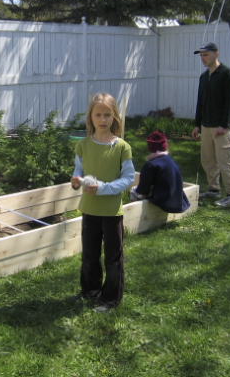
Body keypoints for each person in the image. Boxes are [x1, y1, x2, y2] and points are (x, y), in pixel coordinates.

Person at [70, 93, 135, 312]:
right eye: (98, 114)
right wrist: (77, 181)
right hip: (89, 210)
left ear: (114, 116)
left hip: (111, 212)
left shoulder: (122, 147)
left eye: (107, 114)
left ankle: (110, 298)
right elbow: (79, 171)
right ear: (91, 116)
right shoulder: (83, 146)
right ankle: (90, 291)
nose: (103, 119)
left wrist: (103, 189)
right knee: (90, 255)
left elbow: (128, 179)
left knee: (113, 258)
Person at [191, 42, 230, 207]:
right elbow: (200, 102)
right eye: (201, 55)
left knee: (225, 161)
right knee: (208, 160)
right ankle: (213, 190)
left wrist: (224, 125)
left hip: (221, 128)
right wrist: (197, 124)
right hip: (206, 126)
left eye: (206, 55)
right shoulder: (204, 77)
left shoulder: (227, 75)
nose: (203, 58)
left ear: (216, 55)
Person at [130, 131, 190, 214]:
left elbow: (143, 188)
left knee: (134, 191)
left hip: (163, 199)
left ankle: (133, 213)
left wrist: (143, 194)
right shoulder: (171, 161)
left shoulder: (151, 164)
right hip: (177, 198)